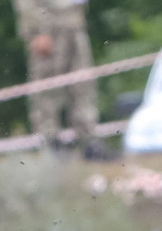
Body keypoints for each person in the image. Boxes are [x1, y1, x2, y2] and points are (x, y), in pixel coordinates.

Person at [15, 0, 97, 155]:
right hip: (49, 27)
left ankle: (88, 141)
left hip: (74, 23)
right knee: (47, 89)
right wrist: (36, 31)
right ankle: (50, 144)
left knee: (83, 85)